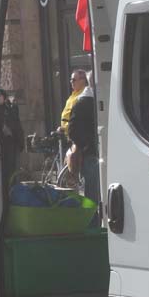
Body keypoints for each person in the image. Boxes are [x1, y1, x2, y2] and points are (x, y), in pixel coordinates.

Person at [67, 71, 100, 206]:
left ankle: (94, 220)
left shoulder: (85, 100)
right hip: (90, 152)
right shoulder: (83, 102)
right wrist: (85, 145)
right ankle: (92, 221)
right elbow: (72, 130)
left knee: (93, 189)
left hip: (92, 150)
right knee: (92, 190)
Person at [60, 70, 88, 136]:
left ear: (82, 81)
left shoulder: (83, 95)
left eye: (73, 80)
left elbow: (78, 118)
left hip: (76, 133)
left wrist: (65, 128)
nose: (71, 82)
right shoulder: (73, 95)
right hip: (67, 132)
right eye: (71, 80)